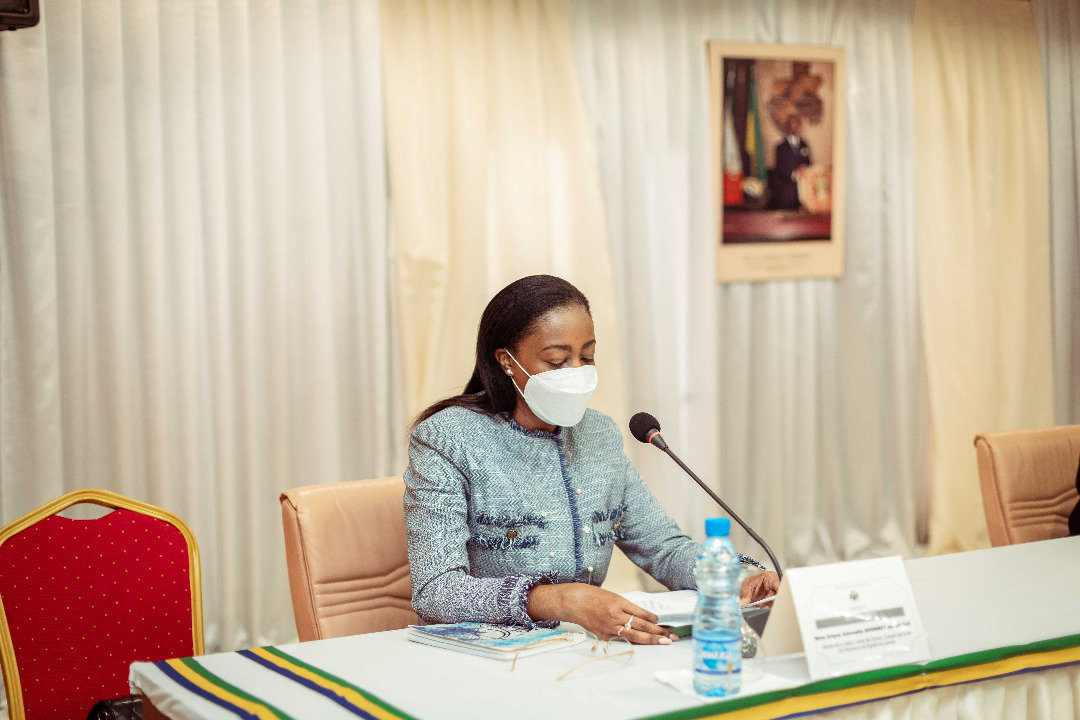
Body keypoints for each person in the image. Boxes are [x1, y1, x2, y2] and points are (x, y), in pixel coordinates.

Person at [403, 275, 780, 645]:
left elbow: (663, 547)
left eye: (587, 357)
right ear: (506, 362)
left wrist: (737, 578)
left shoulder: (598, 435)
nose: (577, 374)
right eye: (556, 360)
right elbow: (437, 591)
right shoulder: (446, 439)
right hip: (485, 658)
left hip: (580, 649)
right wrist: (562, 600)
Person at [773, 114, 811, 210]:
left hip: (803, 189)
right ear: (787, 126)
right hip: (787, 190)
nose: (794, 127)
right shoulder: (780, 147)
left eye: (796, 124)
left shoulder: (804, 144)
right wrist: (795, 174)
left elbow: (808, 163)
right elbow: (780, 167)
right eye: (792, 124)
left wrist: (805, 170)